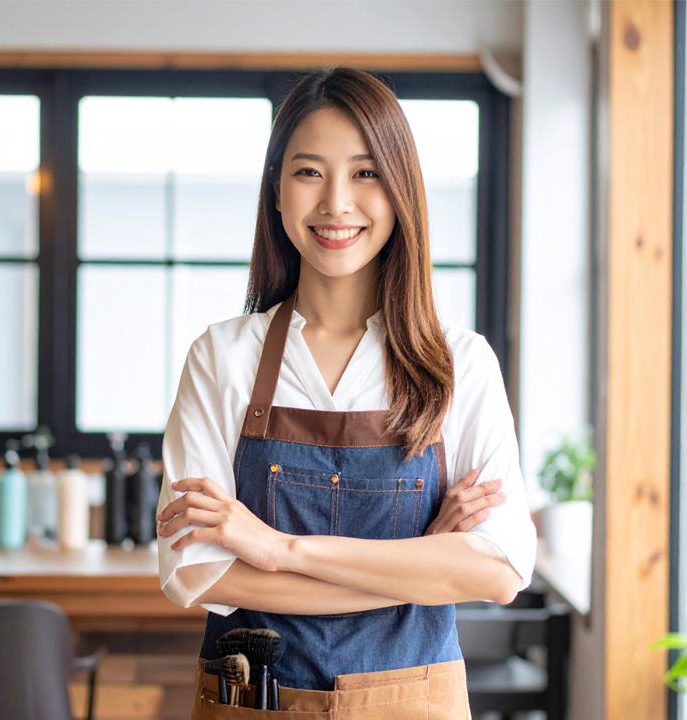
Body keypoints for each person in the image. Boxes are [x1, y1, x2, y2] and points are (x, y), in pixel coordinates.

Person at [156, 67, 537, 719]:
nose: (336, 203)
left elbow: (499, 571)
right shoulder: (222, 358)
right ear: (276, 192)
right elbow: (196, 572)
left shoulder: (460, 365)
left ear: (401, 192)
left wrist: (278, 551)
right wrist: (419, 565)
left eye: (365, 173)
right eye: (309, 172)